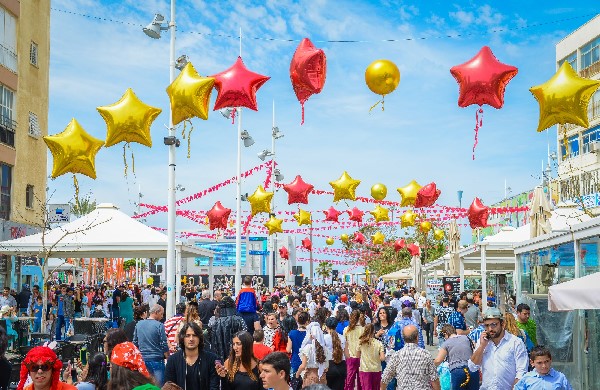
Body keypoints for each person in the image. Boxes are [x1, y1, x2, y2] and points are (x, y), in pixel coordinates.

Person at [469, 307, 529, 389]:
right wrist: (482, 346)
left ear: (502, 324)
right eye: (487, 325)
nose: (490, 329)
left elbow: (522, 372)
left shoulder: (515, 342)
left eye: (494, 324)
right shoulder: (482, 342)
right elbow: (472, 367)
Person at [381, 325, 440, 390]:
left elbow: (384, 379)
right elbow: (434, 379)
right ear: (417, 337)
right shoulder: (426, 355)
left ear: (403, 339)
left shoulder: (397, 355)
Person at [164, 322, 220, 390]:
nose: (191, 339)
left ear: (199, 338)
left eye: (194, 335)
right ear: (182, 338)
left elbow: (214, 387)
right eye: (187, 335)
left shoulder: (211, 359)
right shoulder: (172, 360)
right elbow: (169, 386)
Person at [433, 324, 479, 390]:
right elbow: (476, 349)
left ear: (445, 333)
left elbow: (438, 360)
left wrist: (428, 365)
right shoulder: (467, 338)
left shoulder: (446, 343)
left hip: (457, 371)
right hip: (472, 370)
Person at [133, 304, 169, 386]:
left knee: (144, 385)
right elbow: (164, 344)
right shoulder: (159, 325)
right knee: (158, 386)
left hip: (143, 359)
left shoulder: (139, 324)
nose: (162, 316)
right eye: (161, 314)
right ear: (156, 312)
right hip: (157, 360)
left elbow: (135, 343)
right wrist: (168, 357)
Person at [208, 296, 248, 362]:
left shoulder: (216, 322)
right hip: (237, 355)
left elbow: (212, 341)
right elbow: (245, 336)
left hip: (220, 357)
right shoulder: (239, 320)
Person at [356, 324, 384, 390]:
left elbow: (357, 356)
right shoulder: (379, 343)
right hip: (376, 369)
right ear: (374, 331)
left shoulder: (361, 342)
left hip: (365, 369)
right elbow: (382, 358)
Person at [343, 309, 363, 390]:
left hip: (350, 357)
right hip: (361, 357)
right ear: (359, 318)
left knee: (349, 380)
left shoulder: (346, 329)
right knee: (360, 381)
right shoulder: (363, 329)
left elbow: (345, 344)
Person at [324, 317, 346, 390]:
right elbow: (347, 355)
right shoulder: (343, 338)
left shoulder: (324, 338)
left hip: (329, 366)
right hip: (341, 365)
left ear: (326, 326)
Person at [287, 311, 309, 376]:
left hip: (295, 361)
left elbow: (288, 349)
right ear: (308, 321)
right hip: (307, 362)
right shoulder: (310, 334)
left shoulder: (292, 333)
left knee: (295, 383)